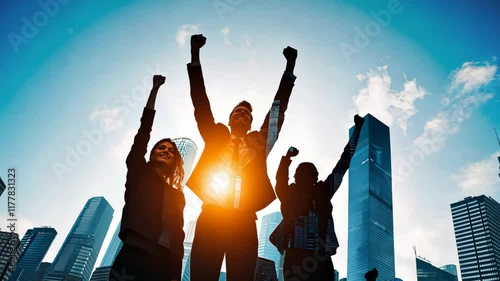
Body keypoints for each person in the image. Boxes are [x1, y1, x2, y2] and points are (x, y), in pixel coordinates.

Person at [186, 34, 298, 281]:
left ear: (250, 123)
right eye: (238, 111)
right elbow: (200, 102)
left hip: (244, 221)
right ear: (229, 119)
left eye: (247, 113)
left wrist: (289, 69)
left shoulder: (259, 143)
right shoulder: (215, 135)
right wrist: (195, 55)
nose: (243, 114)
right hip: (212, 217)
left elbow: (277, 110)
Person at [110, 75, 186, 281]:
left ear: (174, 161)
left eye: (171, 150)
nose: (166, 151)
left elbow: (178, 234)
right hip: (134, 254)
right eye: (161, 147)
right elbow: (143, 132)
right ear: (151, 154)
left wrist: (175, 275)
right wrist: (154, 91)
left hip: (164, 265)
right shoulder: (139, 173)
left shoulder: (178, 196)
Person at [274, 114, 365, 281]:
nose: (307, 180)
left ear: (316, 178)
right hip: (298, 255)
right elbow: (343, 163)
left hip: (318, 255)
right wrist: (285, 160)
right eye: (303, 175)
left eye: (311, 176)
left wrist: (357, 130)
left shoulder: (322, 192)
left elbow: (344, 161)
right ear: (296, 178)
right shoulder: (292, 195)